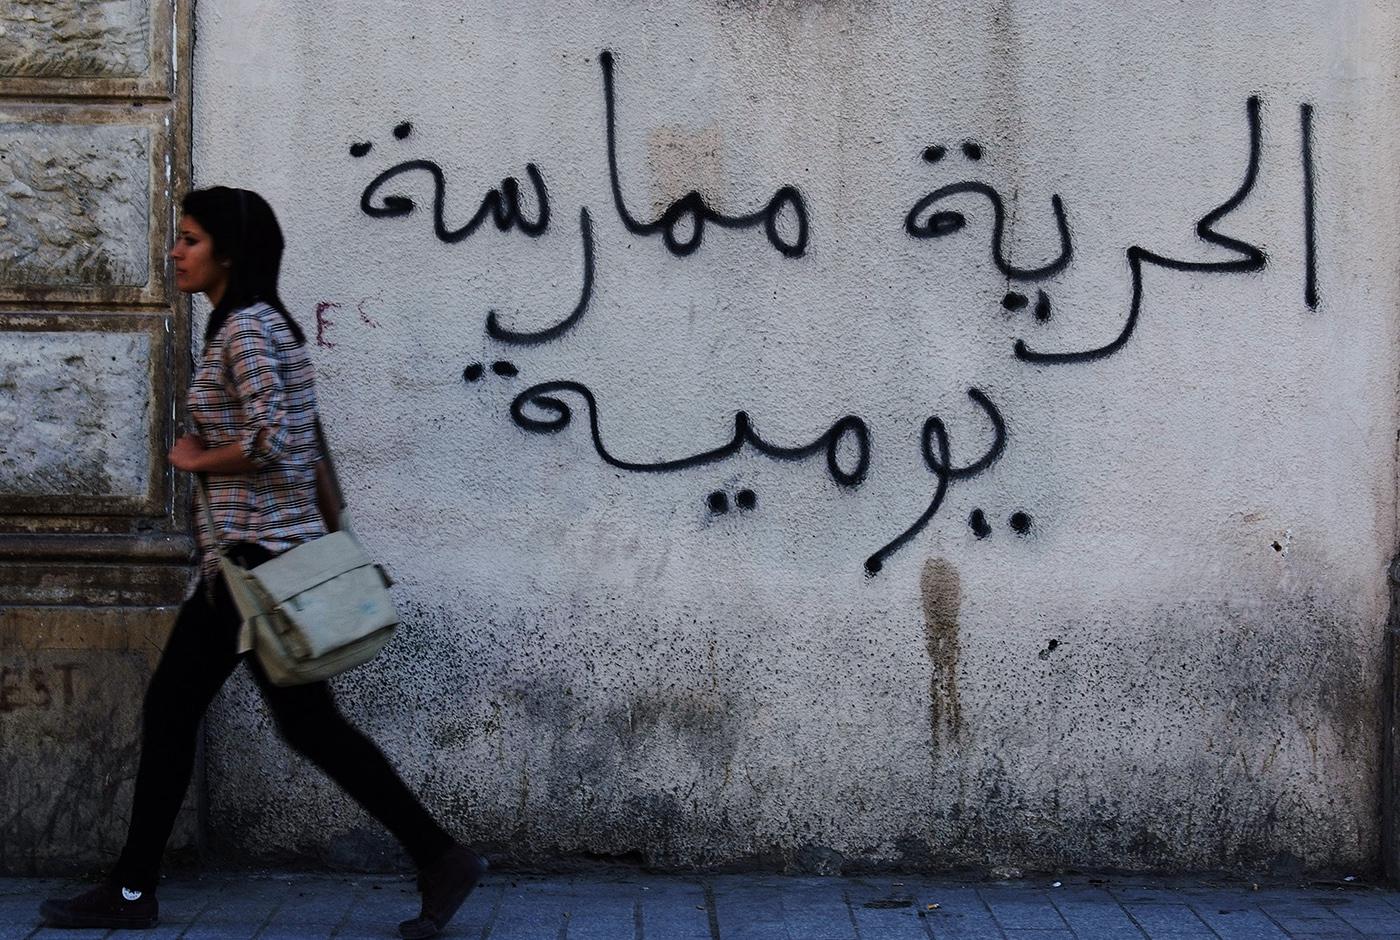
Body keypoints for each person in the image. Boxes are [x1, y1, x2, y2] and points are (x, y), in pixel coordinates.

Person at [39, 187, 485, 939]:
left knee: (178, 713)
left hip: (249, 567)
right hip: (271, 558)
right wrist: (328, 530)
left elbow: (276, 439)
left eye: (189, 239)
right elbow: (309, 446)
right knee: (309, 729)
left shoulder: (244, 330)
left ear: (229, 252)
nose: (175, 252)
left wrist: (194, 458)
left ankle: (130, 891)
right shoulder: (265, 325)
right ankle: (439, 857)